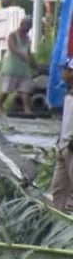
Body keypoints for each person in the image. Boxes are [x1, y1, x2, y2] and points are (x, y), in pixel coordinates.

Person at [0, 17, 37, 115]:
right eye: (27, 26)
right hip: (12, 66)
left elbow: (29, 52)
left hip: (23, 68)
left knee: (24, 89)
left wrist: (34, 64)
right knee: (7, 89)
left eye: (30, 27)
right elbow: (12, 48)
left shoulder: (28, 39)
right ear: (22, 24)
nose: (28, 29)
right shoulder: (13, 35)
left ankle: (26, 108)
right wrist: (22, 55)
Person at [50, 59, 73, 210]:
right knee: (58, 189)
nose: (63, 73)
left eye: (65, 69)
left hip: (71, 146)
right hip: (63, 145)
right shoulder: (68, 93)